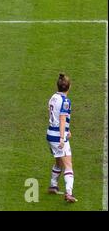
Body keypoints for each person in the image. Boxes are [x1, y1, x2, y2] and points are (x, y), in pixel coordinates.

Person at [47, 73, 77, 203]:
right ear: (68, 87)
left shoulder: (53, 97)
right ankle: (69, 193)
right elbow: (62, 118)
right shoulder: (65, 101)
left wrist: (66, 130)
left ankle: (53, 185)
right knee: (68, 165)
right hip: (58, 137)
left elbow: (53, 115)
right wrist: (62, 137)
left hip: (50, 134)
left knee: (58, 161)